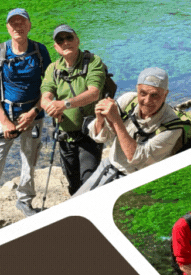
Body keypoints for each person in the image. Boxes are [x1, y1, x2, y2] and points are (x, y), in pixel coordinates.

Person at [0, 8, 49, 217]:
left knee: (29, 161)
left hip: (33, 117)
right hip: (6, 116)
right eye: (13, 23)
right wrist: (5, 121)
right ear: (7, 27)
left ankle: (24, 201)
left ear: (29, 25)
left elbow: (50, 88)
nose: (18, 26)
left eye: (22, 22)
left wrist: (33, 112)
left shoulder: (40, 51)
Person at [74, 67, 182, 195]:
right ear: (137, 89)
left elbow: (137, 158)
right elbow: (101, 137)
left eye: (154, 95)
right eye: (143, 93)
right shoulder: (129, 100)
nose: (147, 101)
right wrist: (100, 119)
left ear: (165, 95)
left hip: (137, 182)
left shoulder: (172, 127)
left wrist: (116, 121)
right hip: (110, 167)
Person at [40, 23, 106, 195]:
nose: (66, 42)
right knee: (74, 185)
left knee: (89, 182)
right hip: (64, 138)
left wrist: (64, 104)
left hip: (89, 134)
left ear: (77, 40)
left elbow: (93, 93)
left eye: (69, 37)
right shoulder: (52, 69)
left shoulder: (93, 61)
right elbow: (45, 97)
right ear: (56, 47)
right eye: (60, 40)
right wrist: (50, 107)